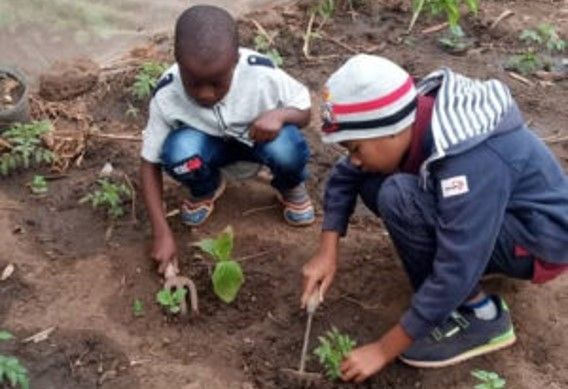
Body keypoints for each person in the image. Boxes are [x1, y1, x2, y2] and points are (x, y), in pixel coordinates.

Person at [301, 54, 568, 383]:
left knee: (399, 196)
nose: (352, 159)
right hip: (494, 213)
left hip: (540, 240)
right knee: (374, 180)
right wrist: (327, 251)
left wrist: (384, 348)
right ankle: (457, 294)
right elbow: (346, 174)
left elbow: (458, 264)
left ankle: (481, 316)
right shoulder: (415, 119)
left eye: (355, 148)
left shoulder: (468, 159)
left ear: (390, 132)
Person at [140, 5, 315, 273]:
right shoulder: (167, 93)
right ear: (177, 61)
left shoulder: (261, 74)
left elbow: (304, 110)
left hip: (259, 143)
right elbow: (149, 163)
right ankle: (206, 187)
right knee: (178, 153)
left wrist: (280, 115)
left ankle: (289, 185)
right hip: (208, 151)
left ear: (236, 60)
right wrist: (161, 232)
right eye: (194, 83)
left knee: (287, 148)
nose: (206, 94)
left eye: (217, 83)